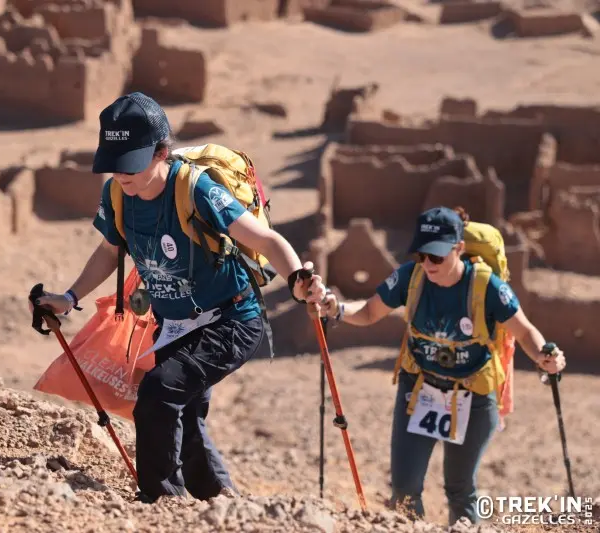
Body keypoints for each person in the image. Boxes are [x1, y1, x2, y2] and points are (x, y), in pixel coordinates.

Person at [31, 91, 328, 503]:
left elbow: (264, 238)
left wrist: (297, 277)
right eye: (115, 166)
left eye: (131, 165)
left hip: (231, 320)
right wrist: (68, 296)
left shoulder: (195, 190)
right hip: (173, 326)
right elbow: (109, 251)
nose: (122, 176)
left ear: (161, 152)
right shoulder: (118, 195)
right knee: (184, 412)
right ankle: (220, 501)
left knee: (158, 393)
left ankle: (163, 503)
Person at [320, 206, 567, 525]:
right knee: (404, 491)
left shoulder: (486, 286)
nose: (428, 264)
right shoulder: (411, 278)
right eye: (423, 255)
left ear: (458, 249)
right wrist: (337, 309)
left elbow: (525, 331)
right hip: (420, 390)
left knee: (460, 489)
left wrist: (546, 356)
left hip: (474, 396)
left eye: (437, 257)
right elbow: (369, 312)